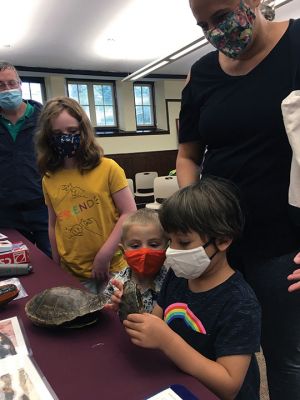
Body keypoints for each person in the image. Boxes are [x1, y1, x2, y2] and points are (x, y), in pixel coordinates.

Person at [175, 1, 300, 398]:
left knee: (287, 360)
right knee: (227, 355)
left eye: (222, 16)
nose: (215, 31)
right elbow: (188, 155)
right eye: (203, 25)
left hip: (284, 246)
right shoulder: (202, 73)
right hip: (219, 247)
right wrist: (193, 213)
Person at [117, 177, 261, 400]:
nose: (172, 252)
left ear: (222, 240)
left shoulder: (240, 303)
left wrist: (168, 342)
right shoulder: (178, 276)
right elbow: (155, 321)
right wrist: (128, 309)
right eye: (170, 241)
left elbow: (229, 385)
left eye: (183, 242)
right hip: (178, 386)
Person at [35, 96, 136, 293]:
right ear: (48, 138)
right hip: (73, 272)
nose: (65, 137)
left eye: (72, 131)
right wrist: (56, 263)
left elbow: (129, 212)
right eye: (57, 133)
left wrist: (104, 255)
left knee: (119, 320)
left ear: (83, 131)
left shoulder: (108, 168)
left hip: (112, 268)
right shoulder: (49, 177)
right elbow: (53, 224)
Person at [0, 61, 51, 257]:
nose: (7, 89)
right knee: (17, 265)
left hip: (43, 207)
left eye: (11, 83)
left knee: (53, 260)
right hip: (6, 213)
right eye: (1, 85)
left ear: (20, 85)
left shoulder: (44, 119)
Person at [104, 208, 168, 313]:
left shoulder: (172, 283)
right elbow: (106, 310)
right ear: (123, 251)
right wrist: (115, 306)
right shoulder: (116, 283)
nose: (145, 252)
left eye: (153, 245)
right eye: (135, 246)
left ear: (166, 247)